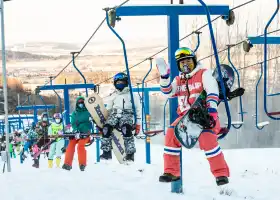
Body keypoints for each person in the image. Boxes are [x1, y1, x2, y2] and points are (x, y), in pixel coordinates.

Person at [158, 47, 229, 186]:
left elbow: (212, 90)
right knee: (171, 134)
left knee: (207, 140)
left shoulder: (204, 74)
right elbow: (168, 92)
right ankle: (171, 172)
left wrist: (212, 110)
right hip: (185, 116)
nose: (186, 66)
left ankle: (221, 173)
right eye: (182, 63)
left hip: (205, 114)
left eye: (189, 62)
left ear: (194, 61)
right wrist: (164, 77)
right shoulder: (179, 80)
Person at [99, 72, 141, 162]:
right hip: (115, 114)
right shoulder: (114, 95)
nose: (120, 84)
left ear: (126, 82)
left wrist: (138, 124)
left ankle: (130, 154)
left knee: (126, 129)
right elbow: (109, 109)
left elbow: (138, 110)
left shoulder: (133, 95)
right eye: (118, 83)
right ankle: (106, 152)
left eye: (122, 82)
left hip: (127, 114)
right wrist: (104, 123)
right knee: (106, 129)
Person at [62, 96, 92, 171]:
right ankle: (67, 164)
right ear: (77, 104)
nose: (81, 104)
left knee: (80, 146)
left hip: (85, 133)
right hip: (77, 133)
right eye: (79, 102)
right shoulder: (74, 113)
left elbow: (90, 124)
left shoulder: (88, 112)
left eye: (82, 102)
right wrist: (76, 130)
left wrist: (83, 128)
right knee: (71, 144)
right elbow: (73, 123)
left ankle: (82, 164)